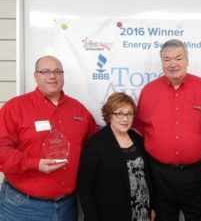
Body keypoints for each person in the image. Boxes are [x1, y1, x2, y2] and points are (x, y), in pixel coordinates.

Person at [0, 55, 99, 221]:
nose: (52, 76)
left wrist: (128, 131)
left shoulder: (79, 110)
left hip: (67, 206)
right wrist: (34, 164)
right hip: (23, 206)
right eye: (45, 71)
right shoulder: (15, 107)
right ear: (35, 76)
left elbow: (96, 144)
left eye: (57, 71)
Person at [133, 39, 201, 221]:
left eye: (178, 58)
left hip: (195, 175)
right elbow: (138, 133)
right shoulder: (149, 91)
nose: (173, 64)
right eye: (167, 59)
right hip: (159, 175)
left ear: (187, 60)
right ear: (162, 63)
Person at [78, 92, 155, 221]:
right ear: (109, 115)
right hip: (112, 214)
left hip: (142, 211)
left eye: (129, 114)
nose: (125, 119)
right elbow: (85, 186)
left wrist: (152, 205)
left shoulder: (137, 138)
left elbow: (147, 175)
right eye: (119, 113)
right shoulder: (96, 144)